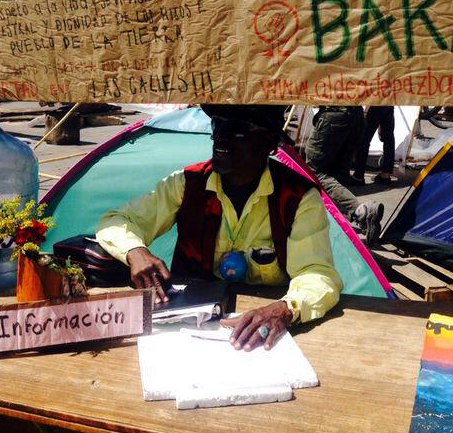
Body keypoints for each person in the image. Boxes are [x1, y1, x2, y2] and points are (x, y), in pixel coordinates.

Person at [97, 105, 342, 351]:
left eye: (237, 129)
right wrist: (135, 250)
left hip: (259, 340)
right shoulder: (187, 184)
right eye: (218, 124)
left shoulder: (298, 197)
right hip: (184, 331)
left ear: (268, 142)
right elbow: (116, 220)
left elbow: (318, 274)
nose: (221, 137)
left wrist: (285, 309)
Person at [304, 105, 384, 244]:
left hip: (334, 113)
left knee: (314, 172)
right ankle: (341, 221)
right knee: (339, 173)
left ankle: (361, 211)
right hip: (356, 115)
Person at [352, 106, 396, 185]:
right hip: (388, 103)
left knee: (364, 140)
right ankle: (386, 174)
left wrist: (367, 108)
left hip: (375, 105)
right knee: (388, 140)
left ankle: (358, 176)